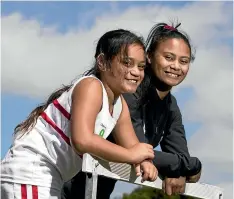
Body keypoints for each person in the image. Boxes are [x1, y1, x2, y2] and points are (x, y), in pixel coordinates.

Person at [1, 29, 159, 199]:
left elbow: (134, 148)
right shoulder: (91, 86)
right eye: (127, 63)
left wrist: (144, 161)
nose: (136, 72)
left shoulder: (120, 106)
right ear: (102, 62)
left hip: (47, 176)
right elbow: (82, 140)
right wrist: (131, 156)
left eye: (141, 66)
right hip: (31, 172)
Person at [61, 22, 202, 199]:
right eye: (168, 57)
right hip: (66, 186)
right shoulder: (128, 92)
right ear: (149, 57)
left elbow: (178, 155)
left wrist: (179, 172)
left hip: (98, 191)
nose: (175, 66)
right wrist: (193, 166)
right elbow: (138, 151)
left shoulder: (171, 106)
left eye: (184, 61)